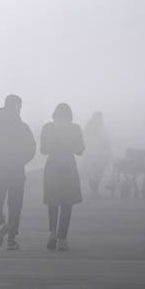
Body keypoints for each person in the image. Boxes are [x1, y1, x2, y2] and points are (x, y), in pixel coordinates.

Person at [0, 94, 36, 250]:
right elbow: (32, 147)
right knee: (15, 204)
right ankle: (11, 239)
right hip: (17, 169)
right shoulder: (22, 127)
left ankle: (0, 223)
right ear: (16, 106)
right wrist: (21, 160)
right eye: (20, 107)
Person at [40, 103, 85, 251]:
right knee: (67, 204)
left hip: (52, 167)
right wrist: (70, 144)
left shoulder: (48, 128)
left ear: (55, 114)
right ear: (70, 115)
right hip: (69, 168)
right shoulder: (75, 128)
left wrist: (54, 144)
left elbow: (43, 150)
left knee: (53, 203)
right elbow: (80, 150)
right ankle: (62, 238)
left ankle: (52, 232)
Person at [82, 112, 112, 197]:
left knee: (93, 172)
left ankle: (94, 190)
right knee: (97, 172)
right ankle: (94, 190)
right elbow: (105, 141)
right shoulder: (100, 128)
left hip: (93, 153)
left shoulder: (88, 127)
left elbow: (84, 139)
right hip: (98, 153)